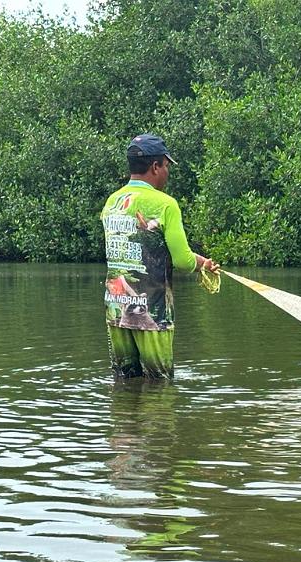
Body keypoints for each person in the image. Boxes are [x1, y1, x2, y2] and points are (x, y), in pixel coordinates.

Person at [101, 133, 219, 379]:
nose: (167, 172)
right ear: (155, 166)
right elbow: (183, 261)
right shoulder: (165, 204)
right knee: (159, 384)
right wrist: (202, 264)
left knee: (124, 381)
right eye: (166, 166)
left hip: (116, 310)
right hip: (151, 313)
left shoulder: (112, 201)